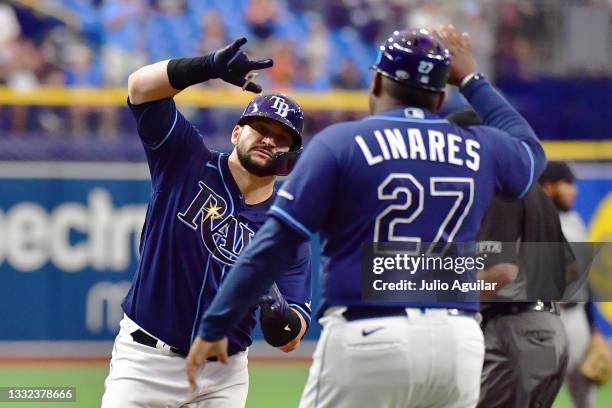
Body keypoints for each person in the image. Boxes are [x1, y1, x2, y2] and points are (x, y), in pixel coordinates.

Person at [187, 25, 546, 407]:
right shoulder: (480, 145)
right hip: (458, 342)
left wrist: (216, 322)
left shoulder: (342, 143)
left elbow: (274, 243)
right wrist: (472, 79)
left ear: (376, 81)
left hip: (370, 334)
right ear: (442, 97)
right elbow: (531, 154)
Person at [101, 37, 312, 407]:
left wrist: (274, 303)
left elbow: (291, 337)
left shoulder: (287, 229)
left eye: (281, 138)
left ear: (290, 160)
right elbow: (138, 88)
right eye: (260, 127)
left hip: (223, 377)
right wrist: (208, 66)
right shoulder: (185, 159)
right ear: (236, 132)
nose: (268, 139)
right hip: (145, 362)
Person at [448, 109, 570, 408]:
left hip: (514, 331)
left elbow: (502, 272)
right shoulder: (534, 190)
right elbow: (570, 269)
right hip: (548, 329)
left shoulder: (499, 188)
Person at [540, 161, 609, 408]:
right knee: (539, 395)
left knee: (585, 398)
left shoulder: (575, 220)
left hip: (577, 317)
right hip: (549, 319)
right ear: (548, 187)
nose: (574, 190)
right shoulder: (535, 222)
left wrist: (594, 329)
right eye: (567, 183)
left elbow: (586, 279)